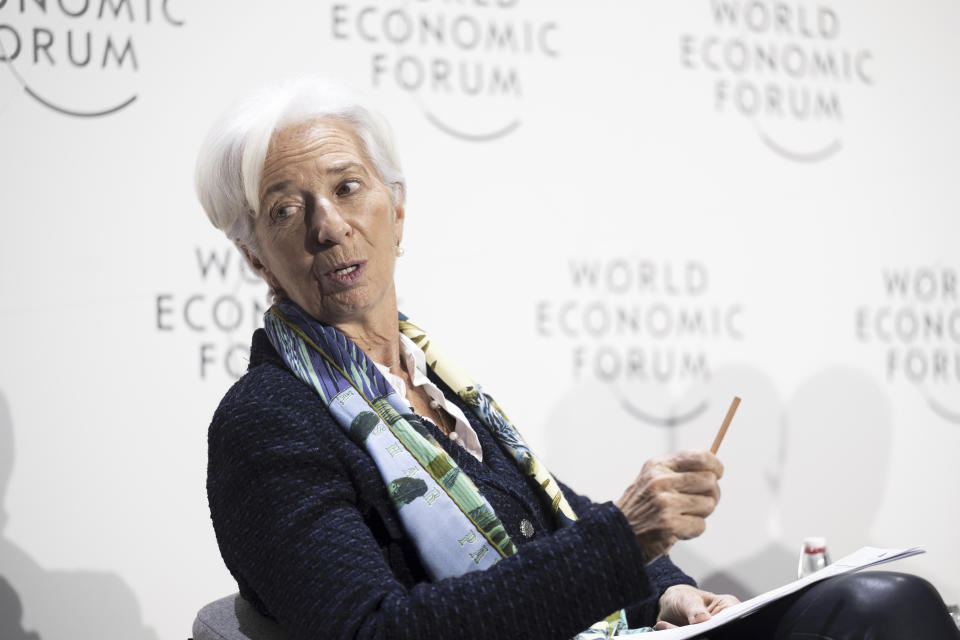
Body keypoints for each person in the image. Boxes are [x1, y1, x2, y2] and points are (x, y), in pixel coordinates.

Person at [196, 77, 960, 640]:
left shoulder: (432, 389)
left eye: (348, 187)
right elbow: (375, 635)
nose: (327, 227)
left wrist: (664, 590)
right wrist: (624, 542)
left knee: (882, 606)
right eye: (286, 210)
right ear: (257, 256)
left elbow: (555, 524)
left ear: (398, 211)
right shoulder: (270, 421)